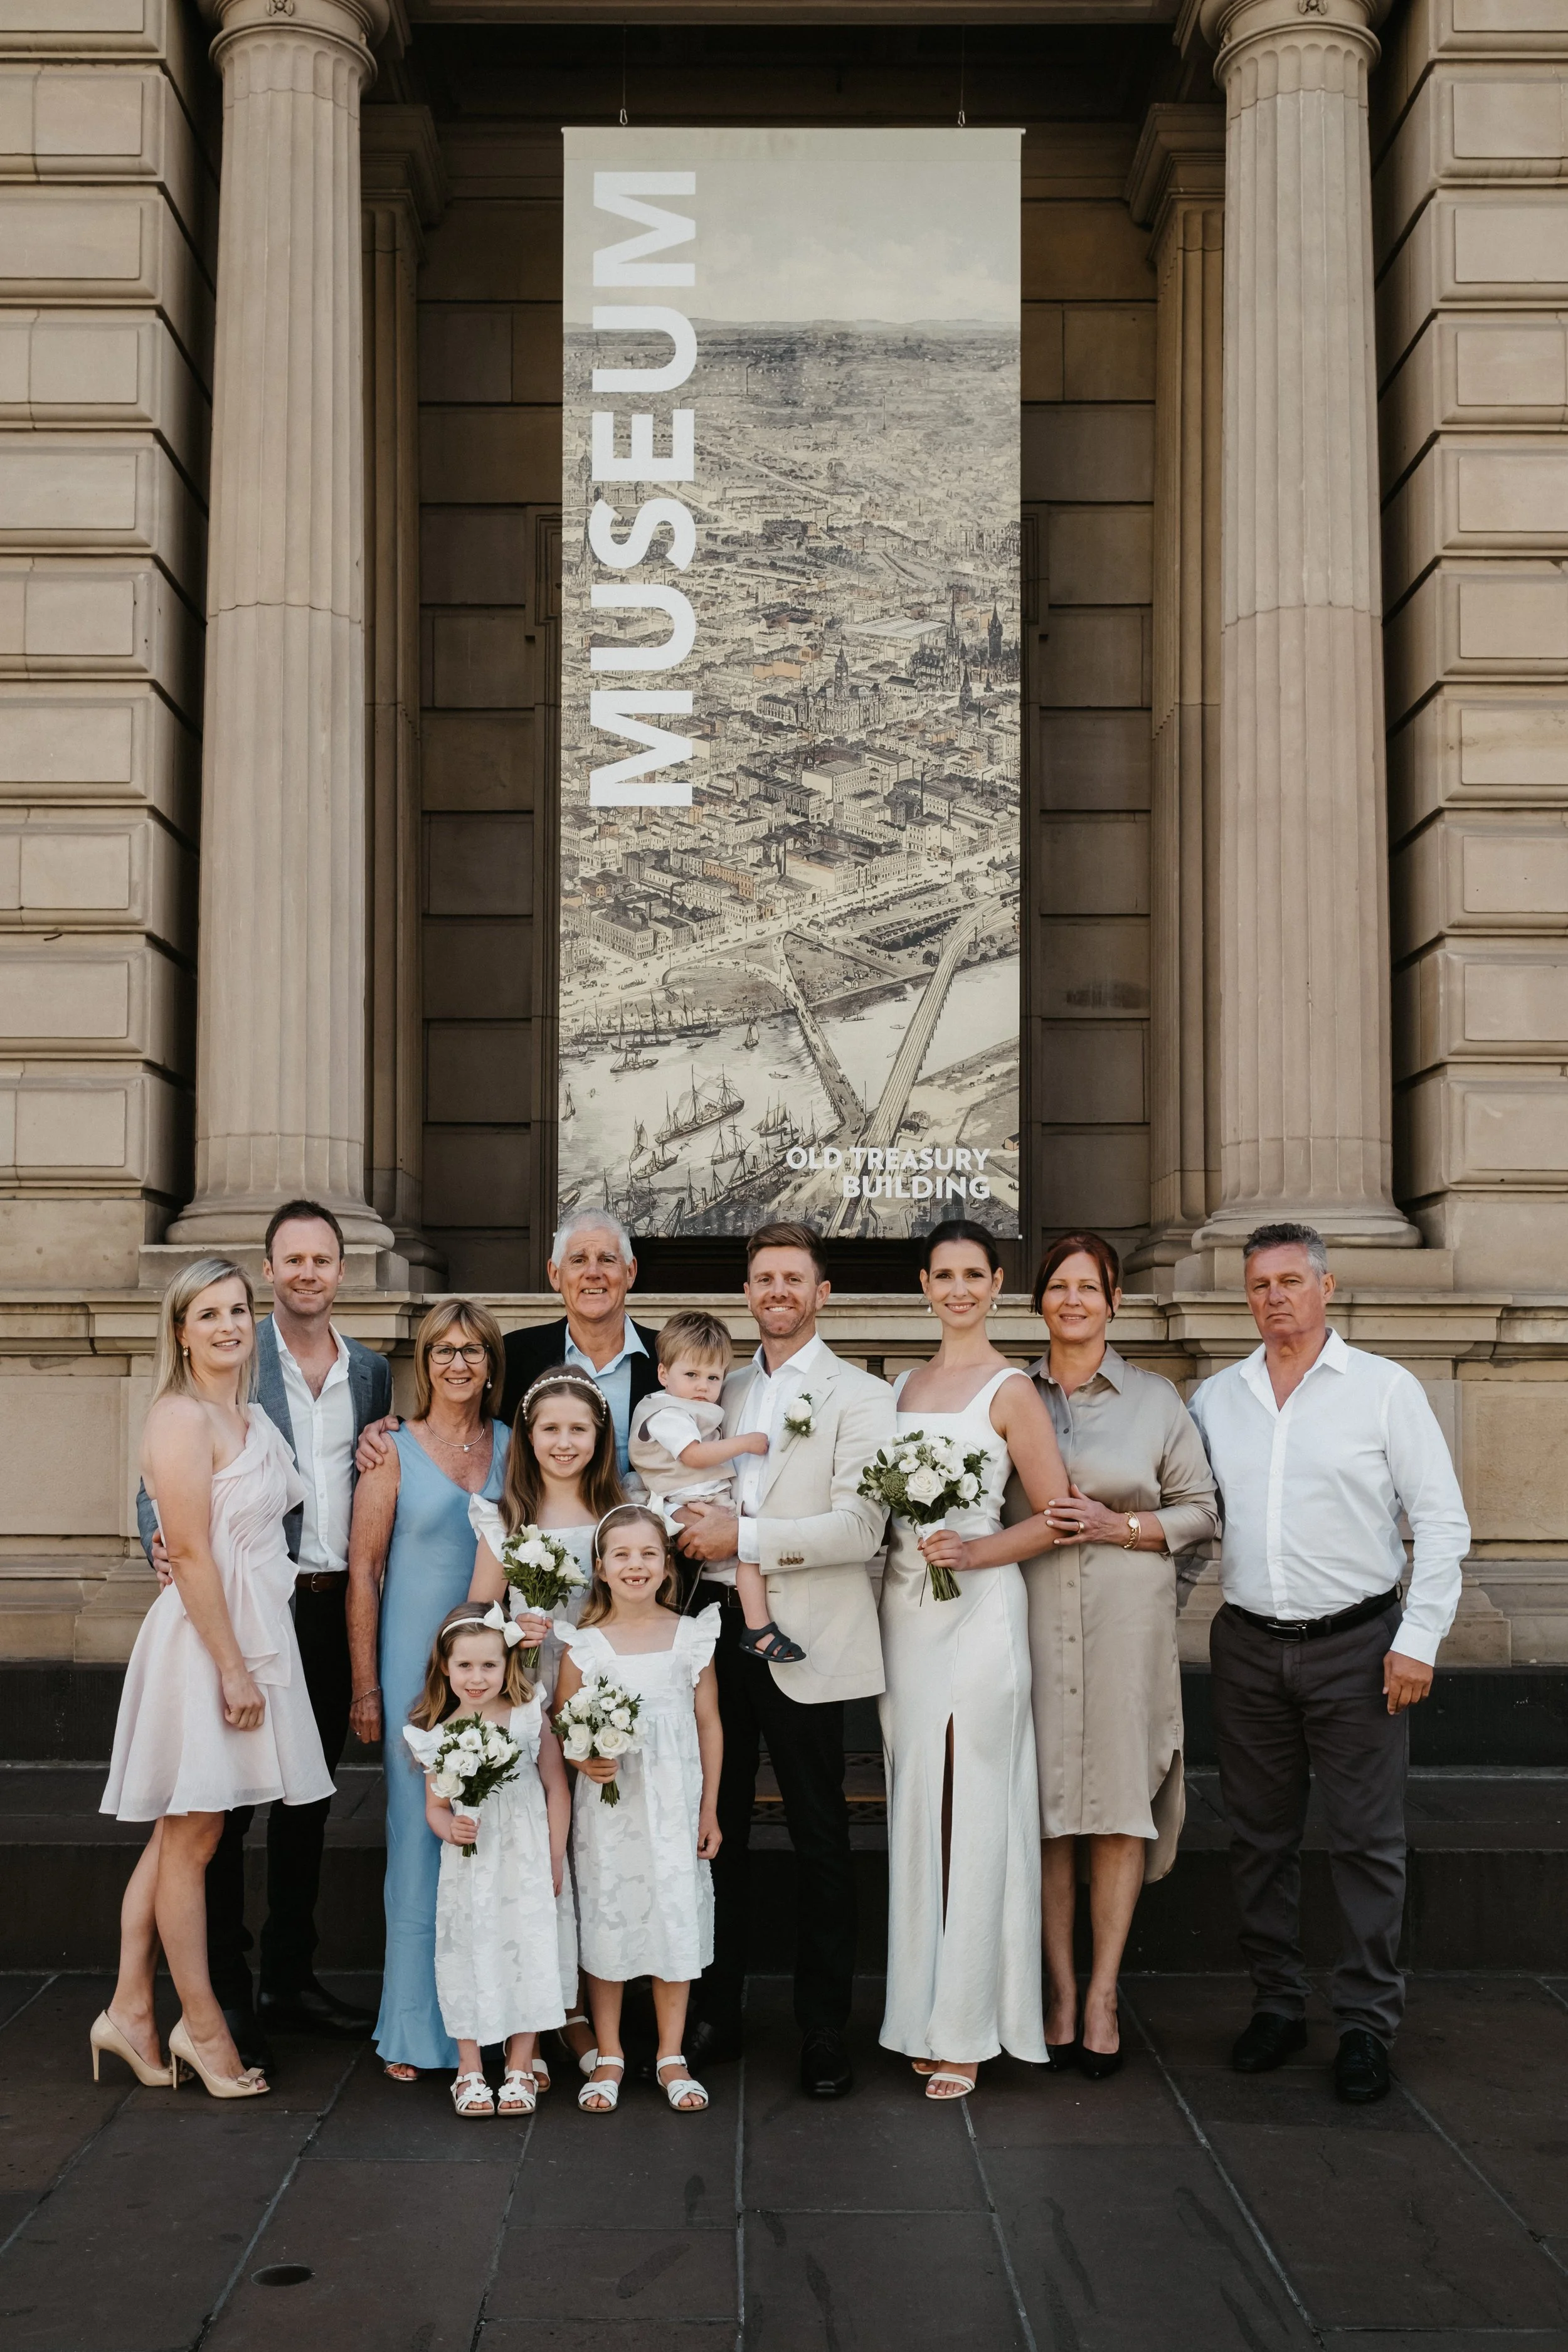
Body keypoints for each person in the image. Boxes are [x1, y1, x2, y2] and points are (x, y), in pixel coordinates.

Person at [1186, 1222, 1470, 2105]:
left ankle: (1364, 2025)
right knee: (1258, 1838)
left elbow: (1444, 1521)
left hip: (1360, 1648)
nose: (1275, 1297)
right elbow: (1195, 1523)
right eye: (1260, 1284)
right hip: (1248, 1647)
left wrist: (1418, 1639)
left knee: (1366, 1843)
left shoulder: (1384, 1390)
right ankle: (1277, 2004)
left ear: (1326, 1287)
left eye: (1290, 1281)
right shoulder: (1215, 1397)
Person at [137, 1199, 393, 2068]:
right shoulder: (239, 1365)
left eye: (323, 1259)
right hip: (252, 1605)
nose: (309, 1273)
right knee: (225, 1807)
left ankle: (292, 1974)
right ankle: (225, 1991)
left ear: (341, 1271)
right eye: (292, 1260)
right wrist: (162, 1546)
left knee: (307, 1798)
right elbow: (166, 1484)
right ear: (271, 1270)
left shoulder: (371, 1371)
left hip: (331, 1604)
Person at [98, 1258, 333, 2100]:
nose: (230, 1324)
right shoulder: (179, 1416)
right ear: (181, 1329)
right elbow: (191, 1549)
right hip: (209, 1641)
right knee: (196, 1839)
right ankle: (200, 2027)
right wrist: (233, 1666)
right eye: (210, 1312)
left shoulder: (256, 1417)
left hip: (255, 1632)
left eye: (238, 1308)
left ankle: (129, 2005)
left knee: (177, 1834)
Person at [676, 1221, 896, 2098]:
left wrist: (746, 1535)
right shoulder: (714, 1388)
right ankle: (717, 2010)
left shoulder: (862, 1394)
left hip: (808, 1637)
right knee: (714, 1825)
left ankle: (822, 2028)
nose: (777, 1291)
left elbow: (860, 1528)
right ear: (748, 1290)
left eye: (793, 1278)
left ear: (822, 1291)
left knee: (820, 1834)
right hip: (711, 1630)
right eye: (764, 1277)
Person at [879, 1219, 1071, 2100]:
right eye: (944, 1274)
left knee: (974, 1795)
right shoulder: (901, 1384)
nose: (959, 1288)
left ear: (998, 1284)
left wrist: (976, 1552)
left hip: (981, 1607)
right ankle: (921, 2012)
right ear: (925, 1282)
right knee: (920, 1798)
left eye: (975, 1274)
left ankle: (971, 2026)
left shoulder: (1012, 1390)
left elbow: (1059, 1512)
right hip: (907, 1614)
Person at [1019, 1232, 1219, 2078]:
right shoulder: (1009, 1392)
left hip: (1123, 1624)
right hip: (1026, 1620)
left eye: (1088, 1288)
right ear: (1040, 1302)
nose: (1072, 1301)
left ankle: (1104, 1993)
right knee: (1046, 1809)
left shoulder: (1155, 1400)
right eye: (1058, 1287)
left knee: (1115, 1803)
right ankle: (1059, 1993)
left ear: (1114, 1302)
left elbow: (1201, 1510)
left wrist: (1120, 1527)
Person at [346, 1298, 511, 2080]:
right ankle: (413, 2028)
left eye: (472, 1351)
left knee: (490, 1843)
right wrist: (364, 1686)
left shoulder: (514, 1446)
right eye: (442, 1350)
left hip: (495, 1675)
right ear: (424, 1361)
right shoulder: (393, 1451)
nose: (457, 1363)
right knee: (419, 1840)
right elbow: (364, 1571)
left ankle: (496, 2023)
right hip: (412, 1673)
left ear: (489, 1364)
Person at [467, 1363, 625, 2084]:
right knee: (545, 1852)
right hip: (531, 1695)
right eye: (550, 1429)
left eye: (578, 1430)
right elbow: (472, 1613)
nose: (564, 1443)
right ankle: (554, 2007)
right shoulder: (505, 1520)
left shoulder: (623, 1514)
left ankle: (606, 2003)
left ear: (601, 1437)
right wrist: (508, 1631)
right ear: (527, 1438)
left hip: (601, 1693)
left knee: (602, 1847)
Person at [554, 1506, 723, 2116]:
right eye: (621, 1555)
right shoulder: (583, 1645)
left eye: (648, 1554)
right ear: (600, 1568)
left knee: (673, 1913)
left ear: (667, 1564)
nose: (635, 1565)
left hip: (674, 1803)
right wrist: (583, 1759)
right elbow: (563, 1722)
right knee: (610, 1915)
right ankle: (609, 2051)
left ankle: (672, 2053)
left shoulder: (690, 1636)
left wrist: (709, 1810)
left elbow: (709, 1724)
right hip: (611, 1808)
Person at [402, 1602, 574, 2119]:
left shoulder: (526, 1716)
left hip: (524, 1856)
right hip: (472, 1863)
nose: (477, 1678)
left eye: (489, 1666)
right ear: (445, 1669)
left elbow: (556, 1787)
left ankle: (520, 2063)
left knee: (529, 1948)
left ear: (508, 1667)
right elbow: (435, 1806)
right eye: (464, 1667)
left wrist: (555, 1857)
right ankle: (470, 2068)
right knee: (468, 1952)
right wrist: (447, 1827)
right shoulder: (436, 1732)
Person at [629, 1309, 804, 1665]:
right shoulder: (667, 1413)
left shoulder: (692, 1406)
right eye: (691, 1374)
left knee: (748, 1555)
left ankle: (754, 1625)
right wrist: (746, 1443)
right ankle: (758, 1628)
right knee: (748, 1553)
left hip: (704, 1499)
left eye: (713, 1377)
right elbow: (693, 1455)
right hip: (686, 1502)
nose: (702, 1387)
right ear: (663, 1373)